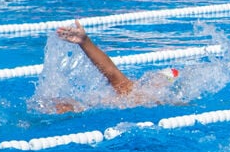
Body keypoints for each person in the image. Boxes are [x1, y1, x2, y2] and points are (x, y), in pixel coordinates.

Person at [51, 20, 180, 113]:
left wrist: (84, 42)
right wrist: (84, 42)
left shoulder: (141, 95)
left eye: (159, 79)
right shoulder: (130, 89)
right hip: (81, 110)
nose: (155, 80)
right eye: (157, 78)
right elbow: (110, 71)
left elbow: (111, 72)